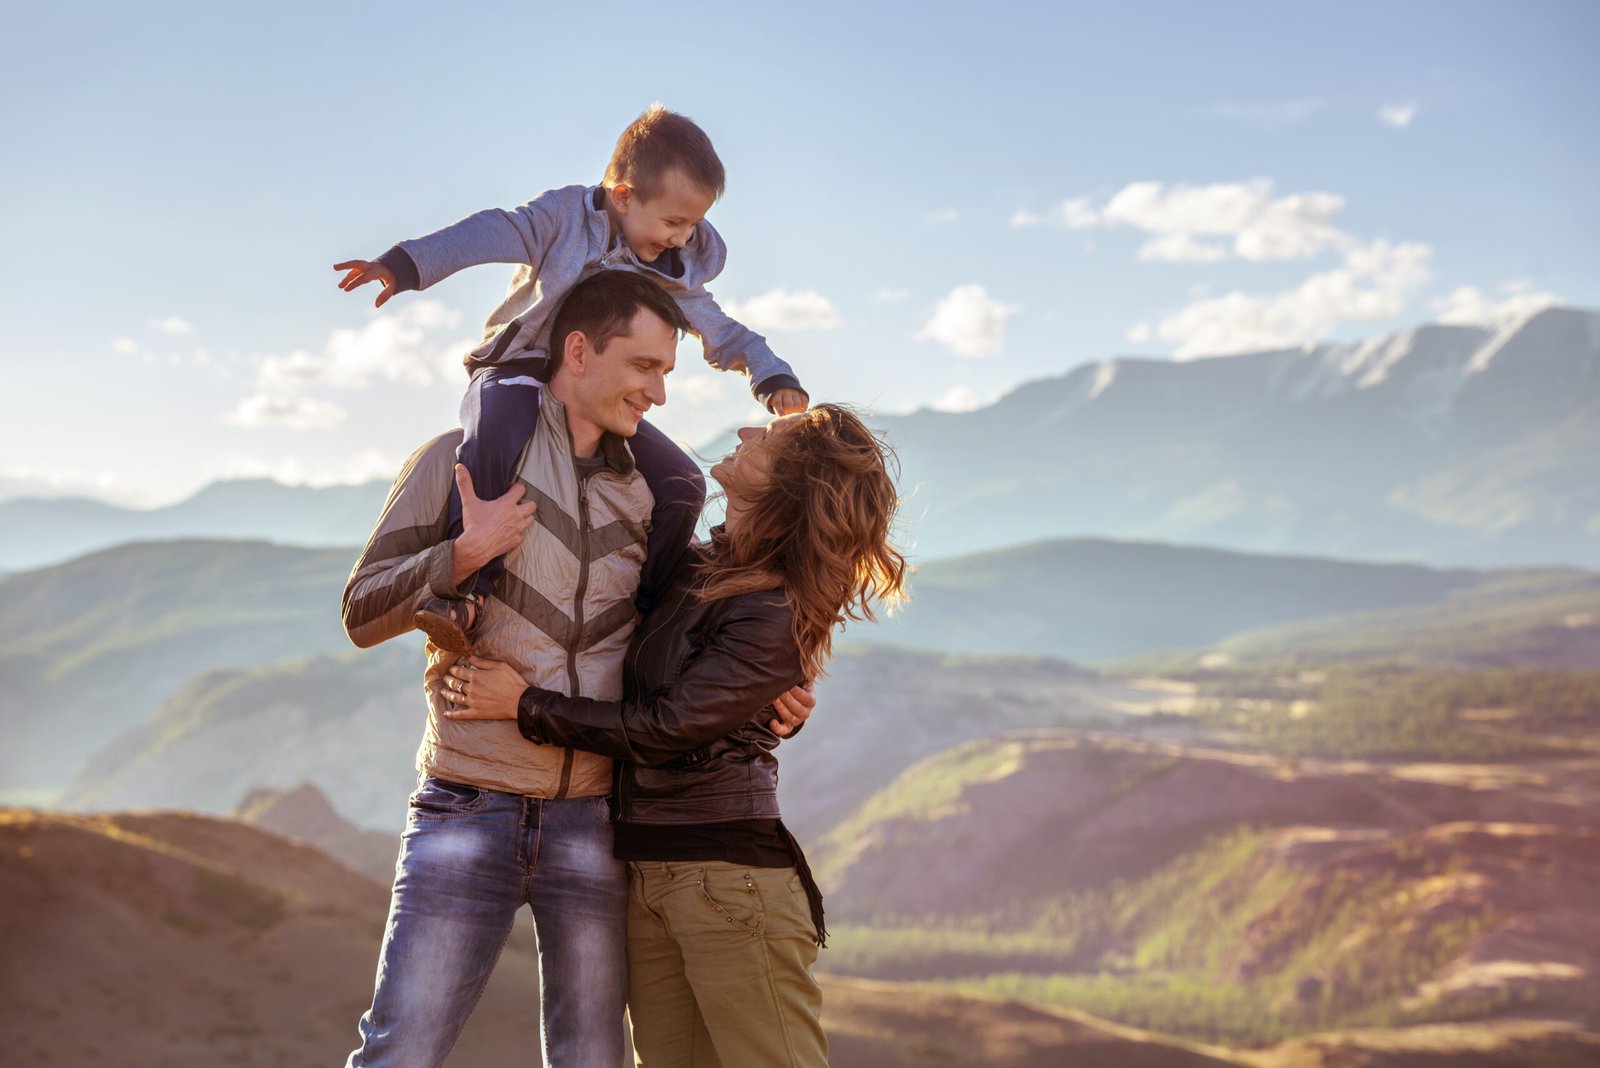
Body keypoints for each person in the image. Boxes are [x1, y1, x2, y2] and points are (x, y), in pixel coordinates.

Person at [337, 269, 814, 1068]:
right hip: (466, 805)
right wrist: (463, 553)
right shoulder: (459, 463)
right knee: (400, 1052)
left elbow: (691, 630)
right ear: (580, 350)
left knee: (594, 1061)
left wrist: (774, 691)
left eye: (667, 370)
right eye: (644, 366)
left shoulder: (658, 496)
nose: (660, 392)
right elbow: (361, 614)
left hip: (596, 821)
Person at [441, 403, 909, 1067]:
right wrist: (562, 375)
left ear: (790, 482)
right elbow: (628, 427)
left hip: (728, 880)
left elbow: (668, 728)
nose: (746, 431)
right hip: (647, 872)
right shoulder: (698, 568)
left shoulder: (771, 606)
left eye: (768, 438)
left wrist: (524, 705)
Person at [334, 103, 809, 651]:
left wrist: (772, 375)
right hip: (519, 370)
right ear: (623, 196)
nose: (681, 239)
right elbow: (494, 230)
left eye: (692, 226)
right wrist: (406, 263)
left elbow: (718, 326)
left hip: (588, 405)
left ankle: (649, 612)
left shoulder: (669, 273)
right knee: (495, 436)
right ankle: (470, 593)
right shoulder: (562, 219)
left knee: (683, 481)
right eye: (673, 223)